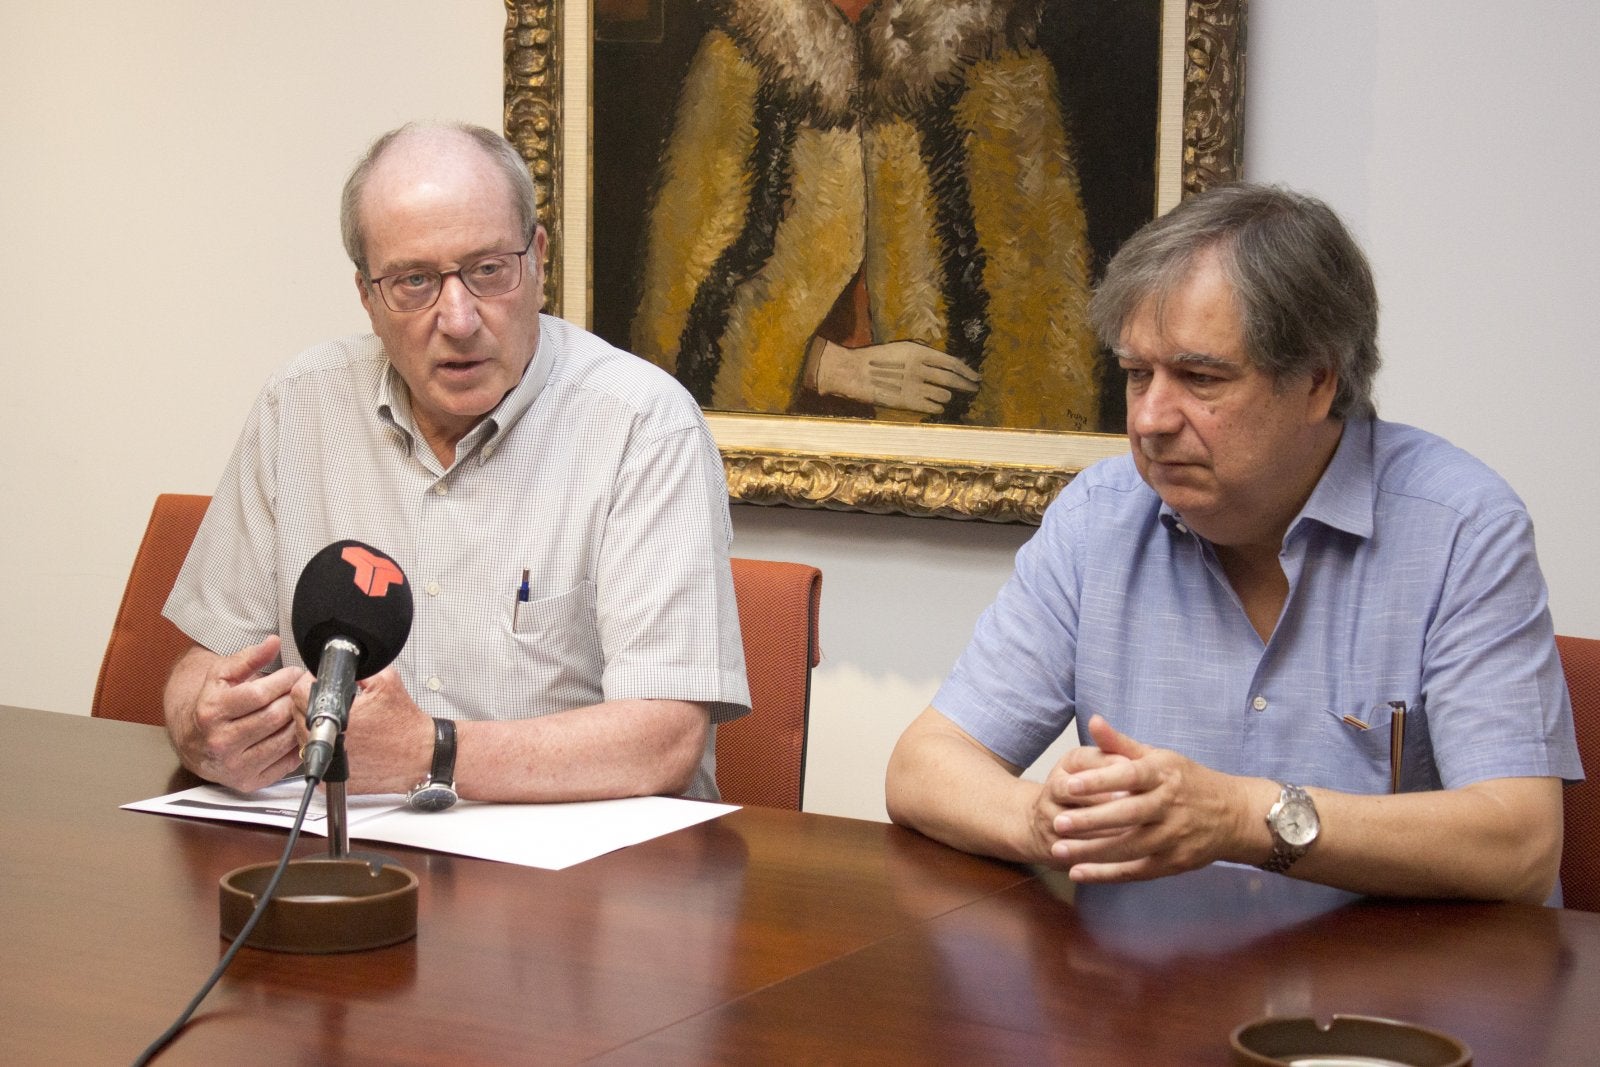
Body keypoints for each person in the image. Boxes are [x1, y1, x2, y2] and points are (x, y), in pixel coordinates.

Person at [885, 182, 1582, 904]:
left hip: (1395, 996)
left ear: (1316, 381)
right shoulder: (1098, 516)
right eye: (1135, 375)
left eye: (1199, 377)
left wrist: (1243, 818)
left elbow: (1520, 844)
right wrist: (1044, 819)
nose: (1151, 418)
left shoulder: (1459, 527)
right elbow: (923, 765)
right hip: (1150, 988)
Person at [162, 122, 750, 806]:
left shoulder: (643, 424)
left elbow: (666, 739)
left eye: (488, 270)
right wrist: (200, 728)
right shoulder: (299, 406)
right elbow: (200, 666)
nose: (460, 317)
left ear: (537, 259)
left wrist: (430, 751)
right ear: (368, 296)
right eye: (414, 280)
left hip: (582, 883)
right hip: (354, 860)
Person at [629, 0, 1101, 430]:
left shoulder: (999, 54)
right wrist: (824, 367)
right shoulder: (739, 53)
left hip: (942, 443)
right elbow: (676, 311)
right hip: (779, 435)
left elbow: (1044, 314)